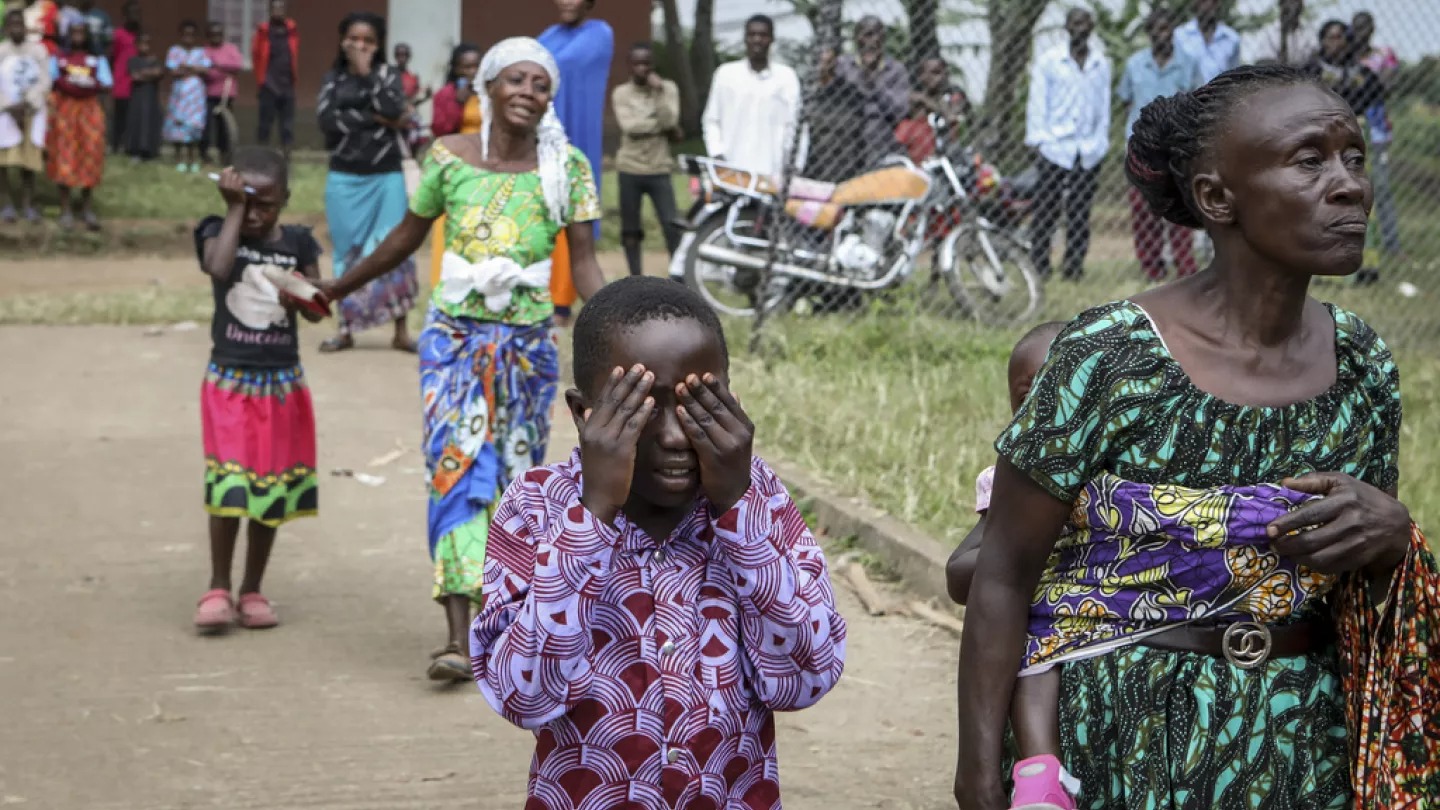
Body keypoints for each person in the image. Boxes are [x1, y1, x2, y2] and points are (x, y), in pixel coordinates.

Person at [954, 63, 1437, 810]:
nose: (1349, 185)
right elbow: (1004, 574)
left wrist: (1392, 533)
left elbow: (1358, 578)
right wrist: (980, 776)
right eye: (1310, 160)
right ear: (1217, 198)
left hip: (1300, 743)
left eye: (1354, 158)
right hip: (1123, 734)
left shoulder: (1362, 360)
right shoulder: (1108, 355)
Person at [470, 275, 848, 807]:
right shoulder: (536, 507)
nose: (674, 435)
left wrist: (737, 511)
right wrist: (593, 513)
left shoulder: (758, 498)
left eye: (698, 404)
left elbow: (807, 676)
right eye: (642, 406)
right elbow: (521, 694)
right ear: (584, 413)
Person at [313, 37, 608, 682]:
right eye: (516, 81)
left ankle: (505, 624)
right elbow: (404, 239)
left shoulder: (567, 169)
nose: (528, 93)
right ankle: (457, 635)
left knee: (515, 476)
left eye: (541, 85)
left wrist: (627, 323)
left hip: (528, 348)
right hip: (453, 342)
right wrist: (337, 289)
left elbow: (583, 264)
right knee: (454, 468)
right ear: (490, 89)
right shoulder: (448, 158)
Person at [193, 147, 324, 635]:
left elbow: (315, 310)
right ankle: (216, 586)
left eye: (263, 205)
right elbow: (217, 267)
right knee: (229, 485)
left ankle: (251, 588)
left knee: (268, 489)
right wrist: (229, 209)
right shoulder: (215, 229)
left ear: (285, 200)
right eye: (243, 203)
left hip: (281, 386)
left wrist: (302, 292)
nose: (252, 214)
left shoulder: (298, 244)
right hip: (230, 382)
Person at [945, 321, 1073, 809]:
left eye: (1060, 396)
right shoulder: (1009, 480)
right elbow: (960, 577)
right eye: (1028, 401)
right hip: (1038, 623)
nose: (1046, 416)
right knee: (1028, 649)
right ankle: (1040, 781)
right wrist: (1023, 544)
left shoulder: (1128, 481)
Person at [315, 11, 418, 355]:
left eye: (368, 41)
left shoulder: (388, 74)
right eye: (354, 39)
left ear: (378, 45)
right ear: (343, 41)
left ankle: (401, 331)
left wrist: (365, 77)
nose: (360, 46)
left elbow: (395, 109)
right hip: (345, 178)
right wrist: (376, 118)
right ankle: (346, 330)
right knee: (348, 253)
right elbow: (327, 121)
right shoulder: (332, 78)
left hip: (385, 176)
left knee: (395, 249)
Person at [539, 0, 612, 324]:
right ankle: (541, 295)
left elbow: (554, 63)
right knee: (541, 214)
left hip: (577, 138)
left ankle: (563, 303)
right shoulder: (549, 33)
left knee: (572, 216)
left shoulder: (600, 33)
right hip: (542, 139)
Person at [1024, 8, 1110, 281]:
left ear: (1092, 26)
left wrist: (1101, 142)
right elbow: (1037, 101)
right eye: (1075, 22)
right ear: (1067, 26)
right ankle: (1040, 265)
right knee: (1045, 210)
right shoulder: (1050, 61)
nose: (1080, 27)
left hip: (1087, 149)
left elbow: (1103, 106)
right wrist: (1038, 139)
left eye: (1085, 22)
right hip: (1055, 146)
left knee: (1079, 213)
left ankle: (1073, 268)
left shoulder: (1100, 63)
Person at [1118, 7, 1202, 282]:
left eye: (1165, 29)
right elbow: (1126, 100)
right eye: (1155, 30)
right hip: (1142, 149)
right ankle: (1151, 268)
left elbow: (1198, 101)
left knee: (1181, 208)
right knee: (1144, 211)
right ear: (1148, 33)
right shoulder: (1134, 64)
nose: (1160, 35)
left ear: (1173, 31)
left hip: (1177, 148)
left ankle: (1184, 266)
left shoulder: (1188, 63)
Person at [1303, 21, 1384, 282]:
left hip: (1355, 139)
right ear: (1322, 40)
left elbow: (1377, 92)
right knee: (1321, 200)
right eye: (1330, 37)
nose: (1336, 43)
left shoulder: (1358, 71)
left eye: (1341, 37)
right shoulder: (1312, 70)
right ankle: (1318, 265)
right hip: (1320, 142)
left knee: (1362, 199)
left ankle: (1366, 264)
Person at [701, 14, 801, 180]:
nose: (757, 40)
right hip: (733, 168)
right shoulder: (726, 74)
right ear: (745, 38)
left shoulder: (786, 77)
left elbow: (796, 123)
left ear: (772, 39)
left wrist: (794, 164)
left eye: (763, 35)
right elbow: (711, 120)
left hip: (773, 171)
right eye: (752, 35)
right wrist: (717, 153)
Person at [612, 41, 681, 277]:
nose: (642, 68)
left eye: (647, 63)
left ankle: (678, 276)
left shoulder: (667, 88)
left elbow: (670, 121)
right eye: (637, 63)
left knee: (671, 226)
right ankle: (635, 277)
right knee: (631, 230)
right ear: (630, 66)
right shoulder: (621, 93)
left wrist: (659, 93)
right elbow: (630, 127)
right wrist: (659, 125)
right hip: (629, 168)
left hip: (659, 167)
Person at [425, 42, 481, 289]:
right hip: (458, 164)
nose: (472, 71)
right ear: (456, 69)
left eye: (476, 66)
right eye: (466, 66)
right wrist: (458, 104)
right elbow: (440, 130)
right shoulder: (445, 95)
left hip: (487, 165)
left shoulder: (492, 94)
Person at [46, 16, 108, 230]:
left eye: (81, 32)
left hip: (90, 112)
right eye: (73, 32)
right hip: (65, 112)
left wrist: (86, 86)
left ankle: (86, 208)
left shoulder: (96, 59)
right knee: (65, 156)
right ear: (67, 34)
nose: (77, 36)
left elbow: (105, 84)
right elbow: (53, 82)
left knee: (90, 155)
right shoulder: (59, 58)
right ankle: (65, 209)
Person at [1351, 11, 1401, 260]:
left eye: (1365, 28)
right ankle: (1357, 244)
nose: (1361, 33)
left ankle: (1392, 246)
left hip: (1377, 132)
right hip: (1350, 133)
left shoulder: (1383, 56)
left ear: (1371, 30)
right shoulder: (1345, 59)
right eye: (1356, 28)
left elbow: (1386, 87)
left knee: (1381, 187)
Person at [833, 16, 909, 170]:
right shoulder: (843, 66)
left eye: (876, 35)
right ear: (856, 38)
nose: (871, 41)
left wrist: (874, 82)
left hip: (881, 141)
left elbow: (899, 111)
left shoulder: (895, 70)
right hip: (846, 140)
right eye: (866, 35)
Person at [0, 7, 48, 223]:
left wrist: (28, 103)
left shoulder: (38, 51)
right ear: (6, 28)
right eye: (12, 24)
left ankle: (28, 205)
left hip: (31, 112)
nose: (17, 28)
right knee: (4, 162)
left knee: (28, 162)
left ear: (26, 28)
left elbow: (45, 81)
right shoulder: (1, 51)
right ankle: (6, 205)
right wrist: (10, 106)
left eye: (20, 24)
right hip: (6, 114)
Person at [896, 55, 971, 163]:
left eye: (944, 73)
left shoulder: (950, 98)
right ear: (921, 76)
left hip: (946, 155)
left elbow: (952, 118)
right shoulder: (914, 100)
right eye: (935, 73)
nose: (940, 78)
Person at [251, 0, 297, 163]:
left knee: (287, 127)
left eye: (281, 8)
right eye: (275, 8)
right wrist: (261, 82)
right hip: (269, 85)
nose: (278, 11)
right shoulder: (263, 32)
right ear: (270, 11)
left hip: (287, 85)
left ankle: (286, 161)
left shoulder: (291, 30)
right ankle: (261, 159)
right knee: (265, 125)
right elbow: (256, 56)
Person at [163, 20, 210, 174]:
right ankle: (179, 159)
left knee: (194, 127)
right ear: (181, 35)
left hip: (196, 97)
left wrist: (186, 68)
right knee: (178, 126)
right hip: (179, 96)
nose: (188, 37)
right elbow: (173, 71)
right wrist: (193, 69)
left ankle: (193, 160)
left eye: (191, 35)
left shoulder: (201, 52)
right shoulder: (174, 50)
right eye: (185, 34)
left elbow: (205, 70)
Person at [200, 21, 242, 165]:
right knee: (206, 127)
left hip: (226, 94)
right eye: (213, 34)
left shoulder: (231, 49)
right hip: (208, 94)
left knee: (224, 128)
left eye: (219, 34)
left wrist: (216, 65)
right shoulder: (204, 51)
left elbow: (236, 66)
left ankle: (225, 155)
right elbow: (205, 72)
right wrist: (223, 70)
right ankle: (204, 154)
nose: (216, 37)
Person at [1174, 0, 1239, 83]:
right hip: (1189, 93)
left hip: (1220, 92)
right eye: (1203, 1)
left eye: (1213, 1)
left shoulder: (1231, 38)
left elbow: (1234, 74)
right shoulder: (1180, 35)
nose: (1208, 4)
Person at [121, 32, 161, 161]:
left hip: (151, 96)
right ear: (137, 45)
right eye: (141, 44)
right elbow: (135, 76)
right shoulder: (133, 60)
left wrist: (145, 74)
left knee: (149, 121)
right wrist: (150, 73)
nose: (144, 47)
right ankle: (135, 150)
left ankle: (149, 151)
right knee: (137, 121)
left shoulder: (155, 60)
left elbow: (159, 73)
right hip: (137, 97)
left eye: (147, 44)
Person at [107, 1, 137, 153]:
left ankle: (129, 144)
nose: (135, 16)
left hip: (135, 80)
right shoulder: (118, 34)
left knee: (133, 114)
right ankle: (115, 144)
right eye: (131, 12)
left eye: (137, 13)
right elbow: (112, 55)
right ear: (125, 15)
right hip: (121, 79)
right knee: (119, 113)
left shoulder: (139, 34)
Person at [1251, 0, 1312, 66]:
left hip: (1304, 74)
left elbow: (1314, 59)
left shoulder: (1308, 32)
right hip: (1275, 74)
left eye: (1297, 1)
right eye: (1290, 2)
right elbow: (1263, 62)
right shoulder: (1269, 32)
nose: (1293, 6)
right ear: (1281, 4)